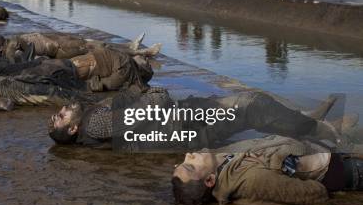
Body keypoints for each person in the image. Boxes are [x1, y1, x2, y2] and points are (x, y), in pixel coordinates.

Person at [48, 88, 341, 148]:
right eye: (61, 117)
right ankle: (322, 130)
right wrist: (153, 93)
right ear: (74, 129)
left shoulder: (93, 124)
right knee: (251, 105)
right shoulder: (97, 123)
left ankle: (304, 120)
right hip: (188, 122)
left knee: (251, 108)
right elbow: (150, 107)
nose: (62, 110)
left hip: (184, 121)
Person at [171, 134, 363, 205]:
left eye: (183, 161)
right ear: (210, 181)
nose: (189, 154)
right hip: (343, 167)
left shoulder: (221, 162)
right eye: (190, 165)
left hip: (327, 149)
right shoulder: (252, 180)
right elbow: (314, 194)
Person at [0, 32, 160, 63]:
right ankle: (141, 52)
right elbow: (23, 59)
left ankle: (129, 46)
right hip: (58, 47)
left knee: (92, 42)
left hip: (54, 41)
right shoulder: (10, 50)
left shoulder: (9, 43)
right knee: (96, 47)